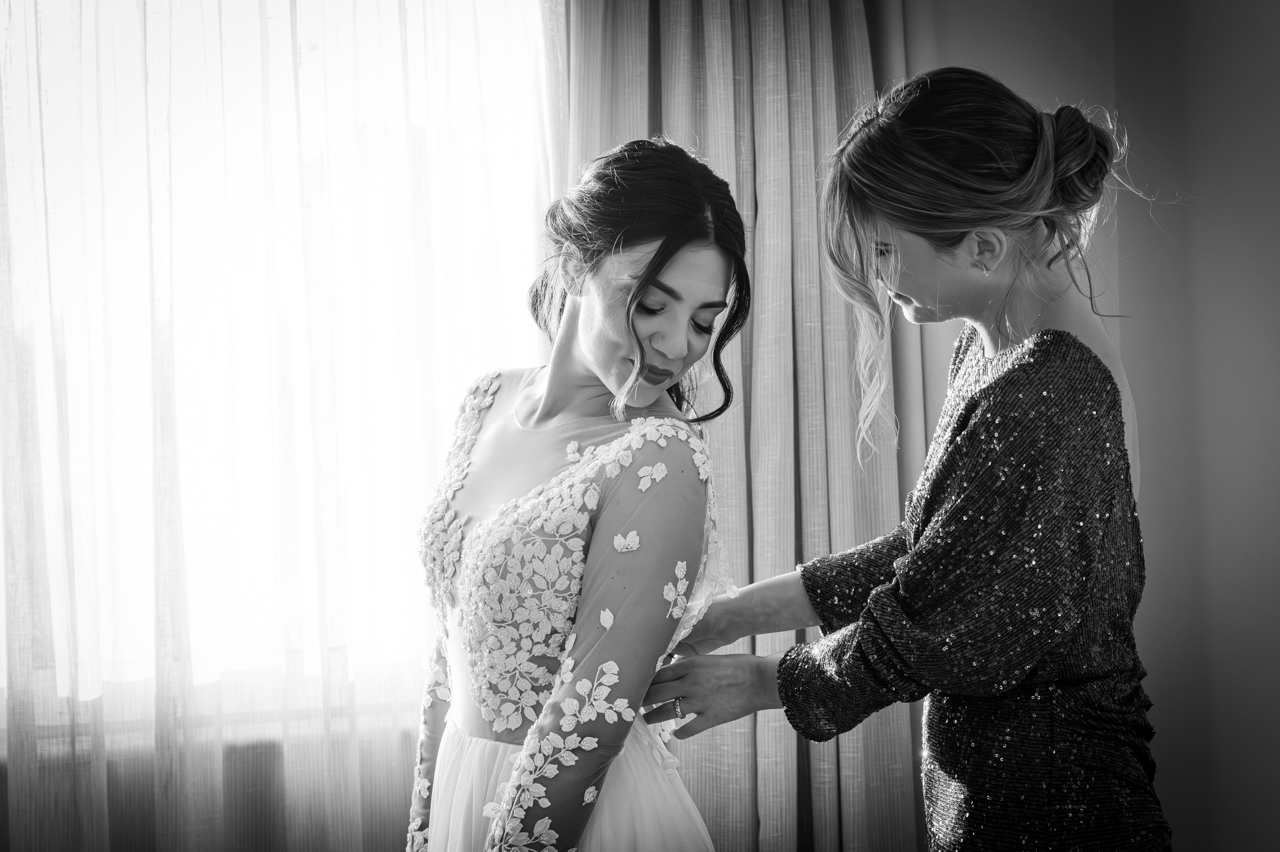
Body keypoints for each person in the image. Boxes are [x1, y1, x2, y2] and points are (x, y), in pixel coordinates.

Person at [643, 67, 1173, 850]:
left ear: (982, 247)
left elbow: (940, 627)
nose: (876, 275)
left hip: (1055, 804)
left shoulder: (1047, 390)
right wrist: (730, 616)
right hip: (1000, 790)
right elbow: (935, 557)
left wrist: (766, 681)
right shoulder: (995, 350)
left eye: (887, 250)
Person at [406, 138, 749, 852]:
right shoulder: (487, 400)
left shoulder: (659, 456)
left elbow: (588, 725)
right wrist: (424, 817)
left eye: (702, 320)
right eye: (650, 304)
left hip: (585, 817)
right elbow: (448, 648)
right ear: (572, 265)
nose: (676, 345)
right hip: (462, 789)